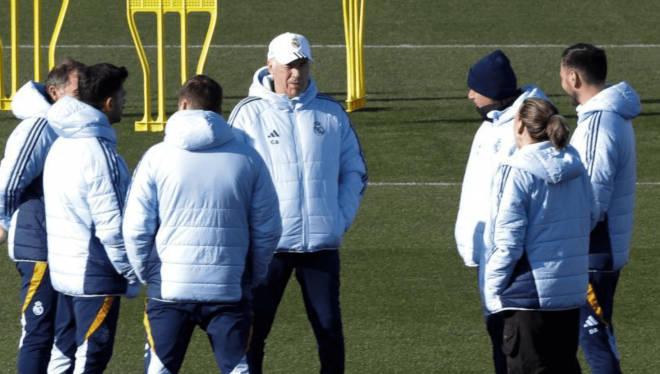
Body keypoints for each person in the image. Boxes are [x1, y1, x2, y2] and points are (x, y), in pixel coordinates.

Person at [122, 75, 282, 374]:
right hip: (229, 288)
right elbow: (268, 227)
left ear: (183, 104)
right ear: (219, 110)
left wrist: (149, 274)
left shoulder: (156, 157)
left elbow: (135, 228)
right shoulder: (248, 158)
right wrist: (251, 275)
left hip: (169, 289)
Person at [228, 32, 368, 374]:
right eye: (289, 66)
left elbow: (355, 170)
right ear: (270, 65)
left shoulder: (331, 112)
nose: (296, 74)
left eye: (302, 65)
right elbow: (231, 178)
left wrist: (338, 218)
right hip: (267, 248)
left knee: (330, 332)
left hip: (320, 245)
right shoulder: (247, 115)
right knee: (254, 333)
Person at [481, 98, 595, 373]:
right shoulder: (575, 166)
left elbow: (507, 243)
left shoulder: (516, 170)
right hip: (569, 297)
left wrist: (493, 292)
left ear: (520, 125)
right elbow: (590, 217)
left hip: (527, 300)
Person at [454, 49, 549, 374]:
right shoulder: (490, 127)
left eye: (474, 89)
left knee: (516, 352)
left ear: (494, 93)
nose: (469, 95)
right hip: (489, 256)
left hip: (511, 266)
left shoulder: (522, 132)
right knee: (501, 342)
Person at [43, 63, 140, 373]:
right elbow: (111, 225)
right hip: (94, 275)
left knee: (62, 354)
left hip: (64, 272)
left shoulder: (60, 142)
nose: (125, 100)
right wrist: (129, 271)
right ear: (109, 103)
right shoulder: (98, 153)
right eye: (122, 95)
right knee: (91, 357)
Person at [560, 43, 640, 374]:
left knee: (594, 339)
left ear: (574, 77)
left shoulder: (598, 124)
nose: (562, 83)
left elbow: (590, 200)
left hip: (591, 252)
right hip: (599, 250)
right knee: (590, 336)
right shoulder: (612, 117)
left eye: (562, 76)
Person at [0, 58, 84, 374]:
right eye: (78, 92)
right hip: (37, 244)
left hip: (62, 244)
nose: (85, 98)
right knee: (38, 331)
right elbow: (10, 177)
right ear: (54, 92)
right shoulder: (40, 126)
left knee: (65, 332)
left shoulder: (66, 125)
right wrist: (2, 221)